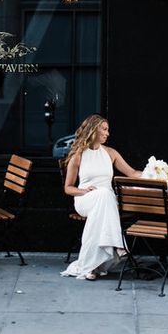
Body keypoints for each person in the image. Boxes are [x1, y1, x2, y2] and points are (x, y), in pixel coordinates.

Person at [60, 113, 142, 280]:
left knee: (104, 198)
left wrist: (153, 174)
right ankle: (118, 244)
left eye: (108, 130)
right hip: (85, 200)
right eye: (104, 129)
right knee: (104, 194)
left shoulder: (111, 153)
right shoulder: (78, 155)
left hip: (106, 203)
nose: (107, 133)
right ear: (93, 130)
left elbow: (132, 173)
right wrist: (83, 191)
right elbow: (68, 188)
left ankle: (90, 267)